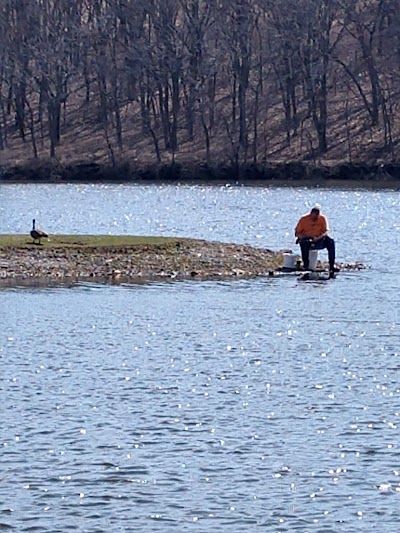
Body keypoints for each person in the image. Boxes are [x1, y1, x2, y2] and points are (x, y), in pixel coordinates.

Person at [295, 204, 337, 277]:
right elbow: (297, 233)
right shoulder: (304, 219)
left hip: (319, 238)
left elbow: (326, 232)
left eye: (316, 217)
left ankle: (332, 265)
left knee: (330, 241)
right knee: (304, 243)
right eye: (313, 216)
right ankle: (306, 265)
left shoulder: (322, 219)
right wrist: (308, 237)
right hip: (307, 238)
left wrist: (318, 238)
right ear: (310, 214)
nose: (315, 219)